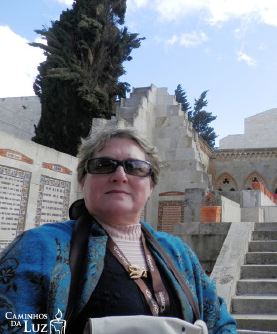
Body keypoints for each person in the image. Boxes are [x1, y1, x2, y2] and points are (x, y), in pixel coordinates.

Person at [0, 126, 237, 333]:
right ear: (83, 181)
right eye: (104, 165)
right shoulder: (37, 248)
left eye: (135, 167)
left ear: (151, 185)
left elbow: (219, 322)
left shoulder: (179, 253)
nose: (120, 176)